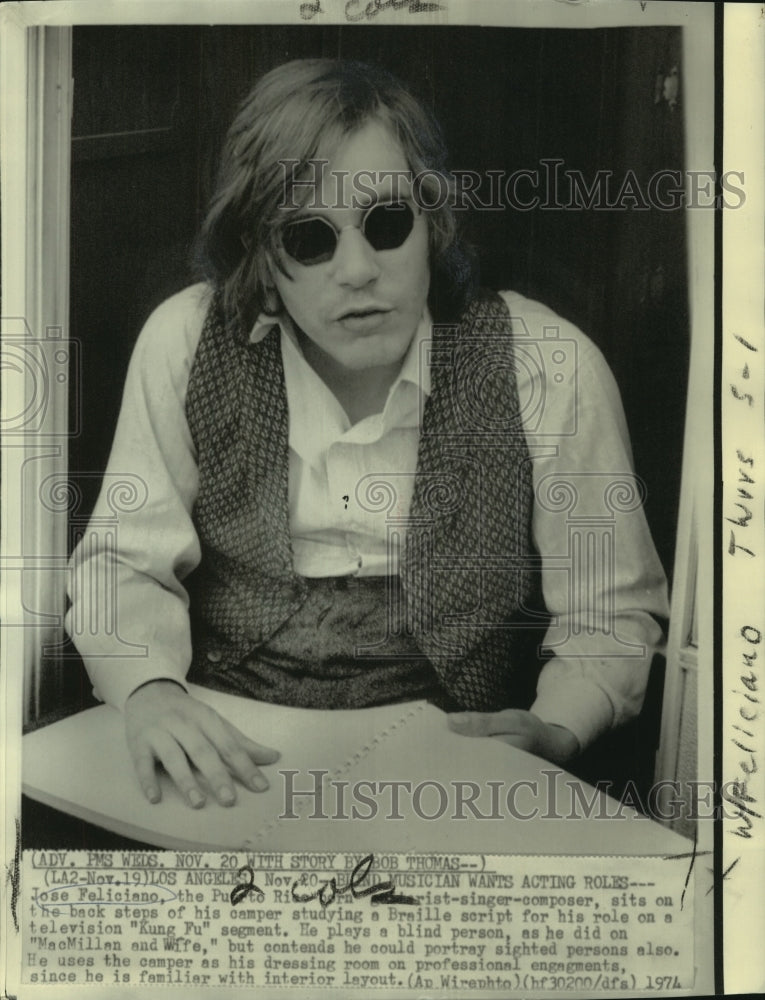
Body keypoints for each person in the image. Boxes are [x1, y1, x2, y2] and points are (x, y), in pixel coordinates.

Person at [67, 58, 669, 811]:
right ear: (261, 253)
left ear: (432, 221)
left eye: (386, 224)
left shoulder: (545, 364)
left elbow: (608, 611)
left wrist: (554, 730)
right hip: (230, 757)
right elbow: (121, 564)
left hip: (448, 770)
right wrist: (151, 692)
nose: (357, 269)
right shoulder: (186, 342)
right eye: (310, 239)